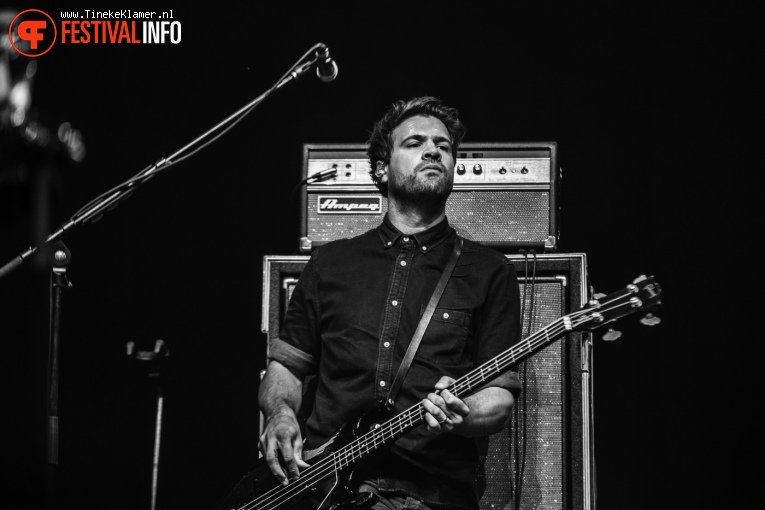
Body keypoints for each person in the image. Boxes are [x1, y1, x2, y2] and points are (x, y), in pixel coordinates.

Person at [259, 96, 522, 510]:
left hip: (429, 494)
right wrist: (280, 414)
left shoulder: (491, 272)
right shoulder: (330, 263)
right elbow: (286, 367)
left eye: (444, 146)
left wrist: (462, 411)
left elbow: (500, 398)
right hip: (318, 488)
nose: (433, 150)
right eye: (415, 142)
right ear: (382, 169)